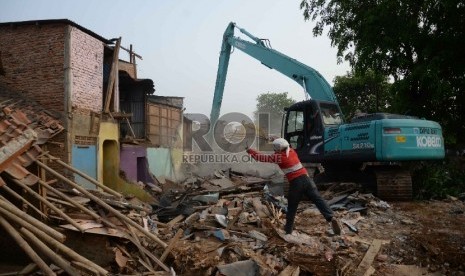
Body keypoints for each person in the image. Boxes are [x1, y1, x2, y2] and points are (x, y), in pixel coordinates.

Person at [246, 138, 341, 235]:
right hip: (308, 180)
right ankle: (331, 217)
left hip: (296, 183)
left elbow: (260, 157)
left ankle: (288, 230)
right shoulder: (292, 151)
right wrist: (274, 139)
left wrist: (249, 150)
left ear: (278, 148)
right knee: (318, 199)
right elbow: (282, 144)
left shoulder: (278, 157)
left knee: (292, 207)